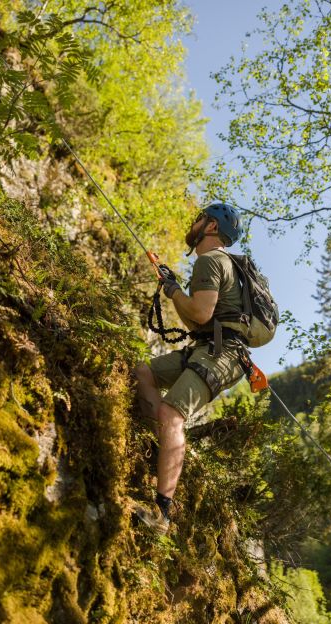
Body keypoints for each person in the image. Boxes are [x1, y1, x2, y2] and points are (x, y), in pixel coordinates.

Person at [133, 203, 247, 534]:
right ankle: (163, 447)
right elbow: (199, 323)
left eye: (200, 219)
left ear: (211, 227)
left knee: (172, 414)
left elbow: (198, 313)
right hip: (209, 347)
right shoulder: (219, 264)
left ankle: (163, 515)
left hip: (223, 354)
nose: (193, 223)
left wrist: (173, 290)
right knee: (143, 372)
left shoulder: (211, 261)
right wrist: (174, 291)